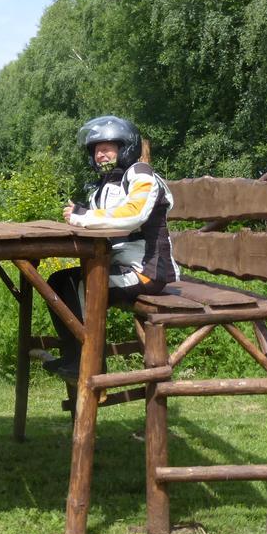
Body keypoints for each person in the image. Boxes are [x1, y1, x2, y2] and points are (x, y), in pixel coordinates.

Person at [44, 115, 180, 377]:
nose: (100, 155)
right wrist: (82, 211)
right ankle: (73, 356)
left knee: (82, 285)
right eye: (96, 150)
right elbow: (106, 216)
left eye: (107, 148)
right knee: (58, 282)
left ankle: (91, 365)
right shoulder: (106, 185)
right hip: (121, 266)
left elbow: (132, 214)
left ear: (126, 147)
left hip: (146, 271)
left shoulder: (140, 174)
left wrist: (84, 218)